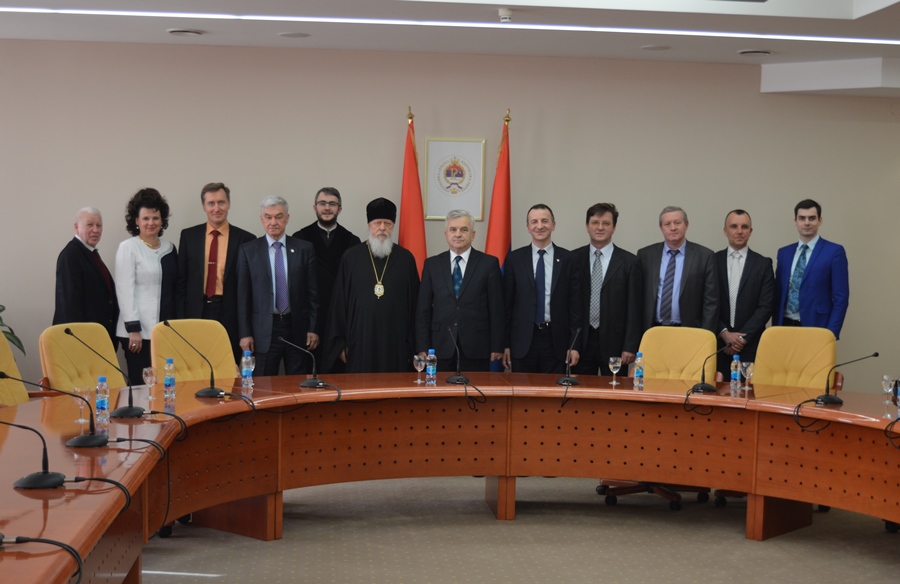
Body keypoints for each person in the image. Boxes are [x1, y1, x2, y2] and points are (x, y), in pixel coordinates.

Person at [326, 198, 419, 373]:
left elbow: (415, 305)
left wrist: (411, 344)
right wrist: (340, 343)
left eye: (387, 223)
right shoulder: (351, 257)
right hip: (360, 340)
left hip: (396, 342)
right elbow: (339, 304)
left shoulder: (406, 259)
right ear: (369, 225)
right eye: (377, 223)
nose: (382, 228)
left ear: (393, 226)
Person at [237, 196, 319, 376]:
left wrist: (313, 328)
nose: (273, 222)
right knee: (263, 384)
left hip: (296, 329)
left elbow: (312, 294)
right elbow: (243, 297)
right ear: (262, 219)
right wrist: (245, 333)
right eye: (268, 217)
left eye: (278, 217)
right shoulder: (248, 251)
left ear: (287, 218)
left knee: (298, 384)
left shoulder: (304, 249)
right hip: (263, 330)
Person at [415, 209, 505, 373]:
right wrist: (422, 345)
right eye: (453, 229)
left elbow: (497, 308)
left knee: (474, 389)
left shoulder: (489, 264)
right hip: (439, 346)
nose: (458, 234)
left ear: (473, 234)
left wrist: (497, 345)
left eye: (464, 230)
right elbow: (423, 310)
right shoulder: (432, 265)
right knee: (440, 389)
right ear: (446, 234)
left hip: (477, 347)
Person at [176, 182, 255, 363]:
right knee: (197, 366)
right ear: (204, 206)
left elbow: (249, 289)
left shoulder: (246, 239)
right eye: (211, 203)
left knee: (228, 366)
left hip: (230, 314)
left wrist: (246, 329)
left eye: (221, 202)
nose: (216, 208)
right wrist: (180, 322)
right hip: (197, 312)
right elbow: (181, 283)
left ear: (229, 204)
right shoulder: (189, 236)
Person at [502, 204, 581, 374]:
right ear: (528, 227)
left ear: (553, 225)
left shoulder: (569, 259)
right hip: (522, 341)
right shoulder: (514, 259)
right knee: (522, 389)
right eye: (534, 222)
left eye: (545, 221)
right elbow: (507, 305)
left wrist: (574, 345)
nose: (539, 226)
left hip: (557, 341)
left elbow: (575, 306)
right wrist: (505, 344)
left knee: (554, 389)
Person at [292, 187, 360, 373]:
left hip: (340, 316)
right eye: (322, 203)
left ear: (340, 209)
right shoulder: (300, 239)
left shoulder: (352, 242)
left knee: (339, 373)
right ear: (315, 207)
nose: (327, 208)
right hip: (310, 317)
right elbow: (296, 286)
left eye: (332, 204)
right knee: (310, 372)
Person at [115, 188, 177, 384]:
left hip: (163, 331)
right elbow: (124, 290)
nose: (151, 223)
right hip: (137, 333)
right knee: (141, 385)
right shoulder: (128, 247)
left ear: (162, 220)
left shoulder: (170, 248)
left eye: (155, 218)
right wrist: (134, 329)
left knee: (164, 383)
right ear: (137, 221)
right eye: (146, 218)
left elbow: (174, 290)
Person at [573, 203, 642, 376]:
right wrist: (570, 344)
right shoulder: (573, 259)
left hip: (615, 344)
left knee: (615, 389)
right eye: (595, 222)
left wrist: (630, 345)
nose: (600, 227)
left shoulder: (629, 262)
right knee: (580, 389)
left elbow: (634, 308)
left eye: (606, 223)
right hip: (581, 341)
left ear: (614, 228)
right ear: (587, 226)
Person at [772, 199, 849, 339]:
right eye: (802, 218)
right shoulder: (784, 253)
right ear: (795, 221)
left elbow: (841, 298)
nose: (807, 223)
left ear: (820, 221)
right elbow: (779, 294)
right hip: (784, 326)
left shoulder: (834, 252)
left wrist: (831, 332)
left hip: (817, 327)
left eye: (812, 218)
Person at [637, 206, 717, 332]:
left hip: (690, 331)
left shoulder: (704, 256)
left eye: (677, 223)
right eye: (667, 224)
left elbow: (711, 302)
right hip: (652, 331)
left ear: (686, 225)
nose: (673, 227)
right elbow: (637, 298)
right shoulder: (645, 255)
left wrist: (705, 335)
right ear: (661, 228)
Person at [715, 209, 775, 377]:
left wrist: (740, 339)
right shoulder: (712, 261)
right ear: (725, 230)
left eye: (744, 227)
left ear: (751, 231)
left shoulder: (763, 264)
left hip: (750, 346)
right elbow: (707, 303)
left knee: (748, 391)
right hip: (718, 346)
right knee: (716, 391)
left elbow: (766, 306)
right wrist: (724, 333)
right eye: (734, 226)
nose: (739, 231)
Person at [53, 207, 119, 348]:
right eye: (90, 225)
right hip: (81, 341)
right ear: (77, 227)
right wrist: (81, 341)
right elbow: (70, 305)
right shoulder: (71, 255)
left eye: (99, 225)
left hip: (97, 338)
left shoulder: (90, 253)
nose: (95, 230)